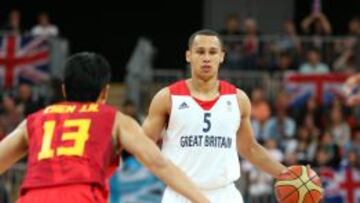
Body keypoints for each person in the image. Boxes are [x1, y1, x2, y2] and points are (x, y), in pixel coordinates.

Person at [0, 52, 209, 203]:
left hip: (32, 196)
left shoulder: (34, 120)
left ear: (64, 90)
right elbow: (159, 164)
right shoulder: (116, 119)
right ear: (105, 93)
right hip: (81, 195)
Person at [142, 29, 287, 203]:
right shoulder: (167, 98)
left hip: (224, 195)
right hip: (180, 195)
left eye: (212, 52)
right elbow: (142, 144)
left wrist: (286, 174)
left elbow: (250, 148)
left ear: (222, 56)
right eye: (200, 51)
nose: (206, 58)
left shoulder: (238, 99)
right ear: (188, 55)